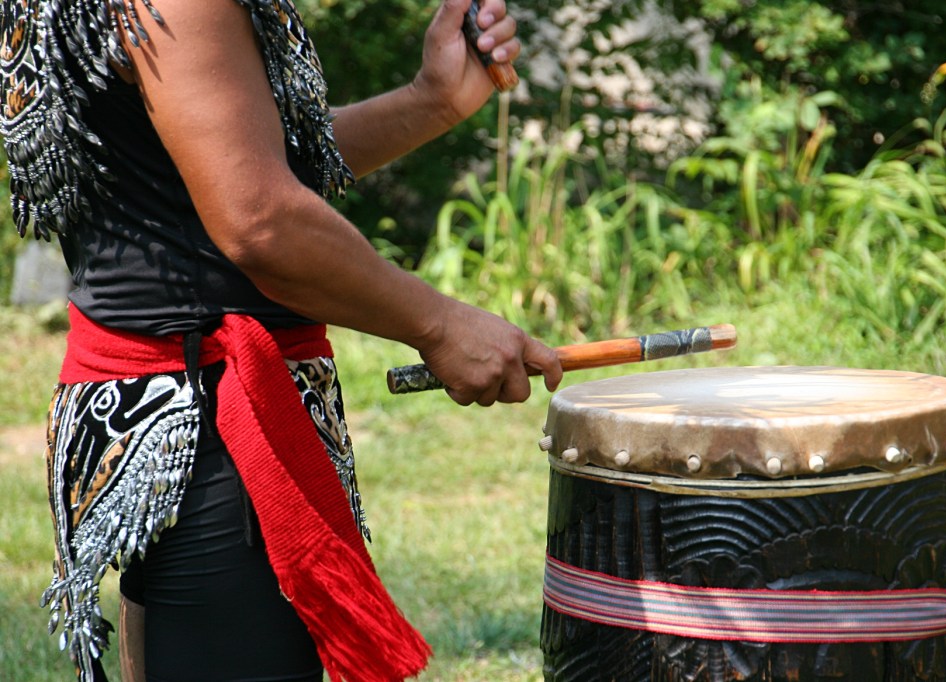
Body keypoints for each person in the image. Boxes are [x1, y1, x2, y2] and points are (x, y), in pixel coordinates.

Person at [0, 0, 563, 680]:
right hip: (211, 428)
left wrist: (431, 101)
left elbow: (228, 156)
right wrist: (439, 324)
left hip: (157, 417)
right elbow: (259, 216)